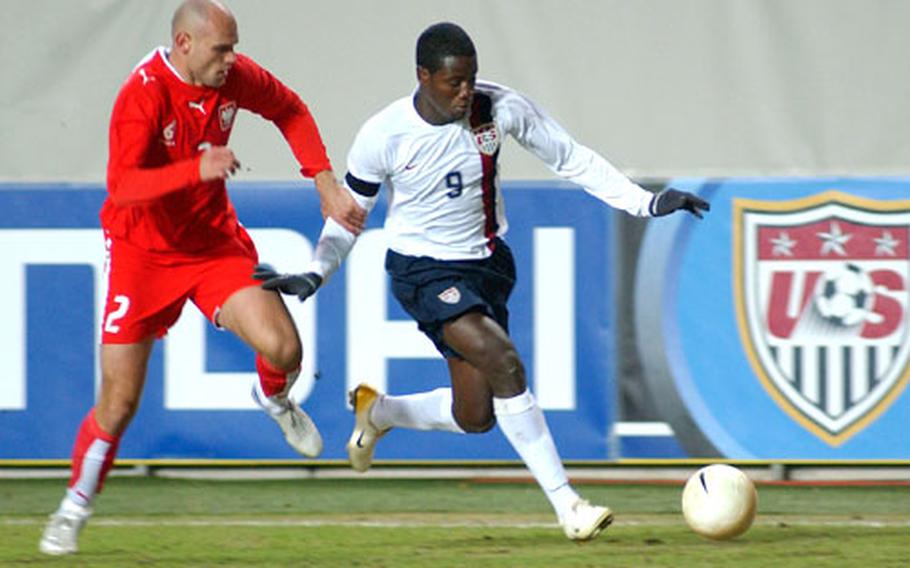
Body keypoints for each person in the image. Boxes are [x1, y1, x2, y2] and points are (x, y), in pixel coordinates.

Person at [256, 22, 709, 541]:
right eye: (454, 83)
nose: (466, 92)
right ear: (423, 76)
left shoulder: (500, 108)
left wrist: (646, 202)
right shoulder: (383, 134)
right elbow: (348, 216)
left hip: (488, 267)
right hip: (422, 272)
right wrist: (317, 271)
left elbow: (571, 157)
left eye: (471, 79)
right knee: (505, 362)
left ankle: (377, 411)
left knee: (475, 416)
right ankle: (569, 506)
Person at [38, 0, 365, 556]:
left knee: (285, 349)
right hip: (141, 254)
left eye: (234, 47)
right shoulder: (142, 93)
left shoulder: (233, 78)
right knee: (119, 402)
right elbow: (122, 187)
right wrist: (197, 168)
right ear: (184, 44)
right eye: (221, 49)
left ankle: (274, 401)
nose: (231, 60)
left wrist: (325, 183)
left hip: (212, 246)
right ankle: (73, 508)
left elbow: (289, 108)